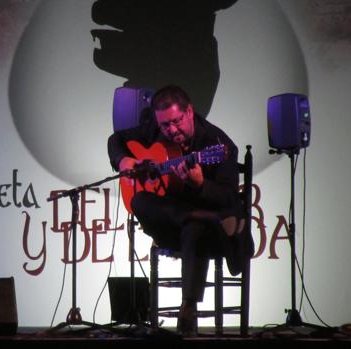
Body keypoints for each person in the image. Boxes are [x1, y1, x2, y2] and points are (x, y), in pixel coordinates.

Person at [107, 85, 251, 336]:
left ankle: (188, 307)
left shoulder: (218, 145)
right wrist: (124, 160)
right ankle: (197, 217)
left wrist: (201, 185)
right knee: (139, 200)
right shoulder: (155, 128)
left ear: (189, 112)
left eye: (175, 122)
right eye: (165, 126)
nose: (170, 130)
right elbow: (115, 140)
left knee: (194, 228)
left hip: (206, 233)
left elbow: (229, 197)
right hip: (168, 224)